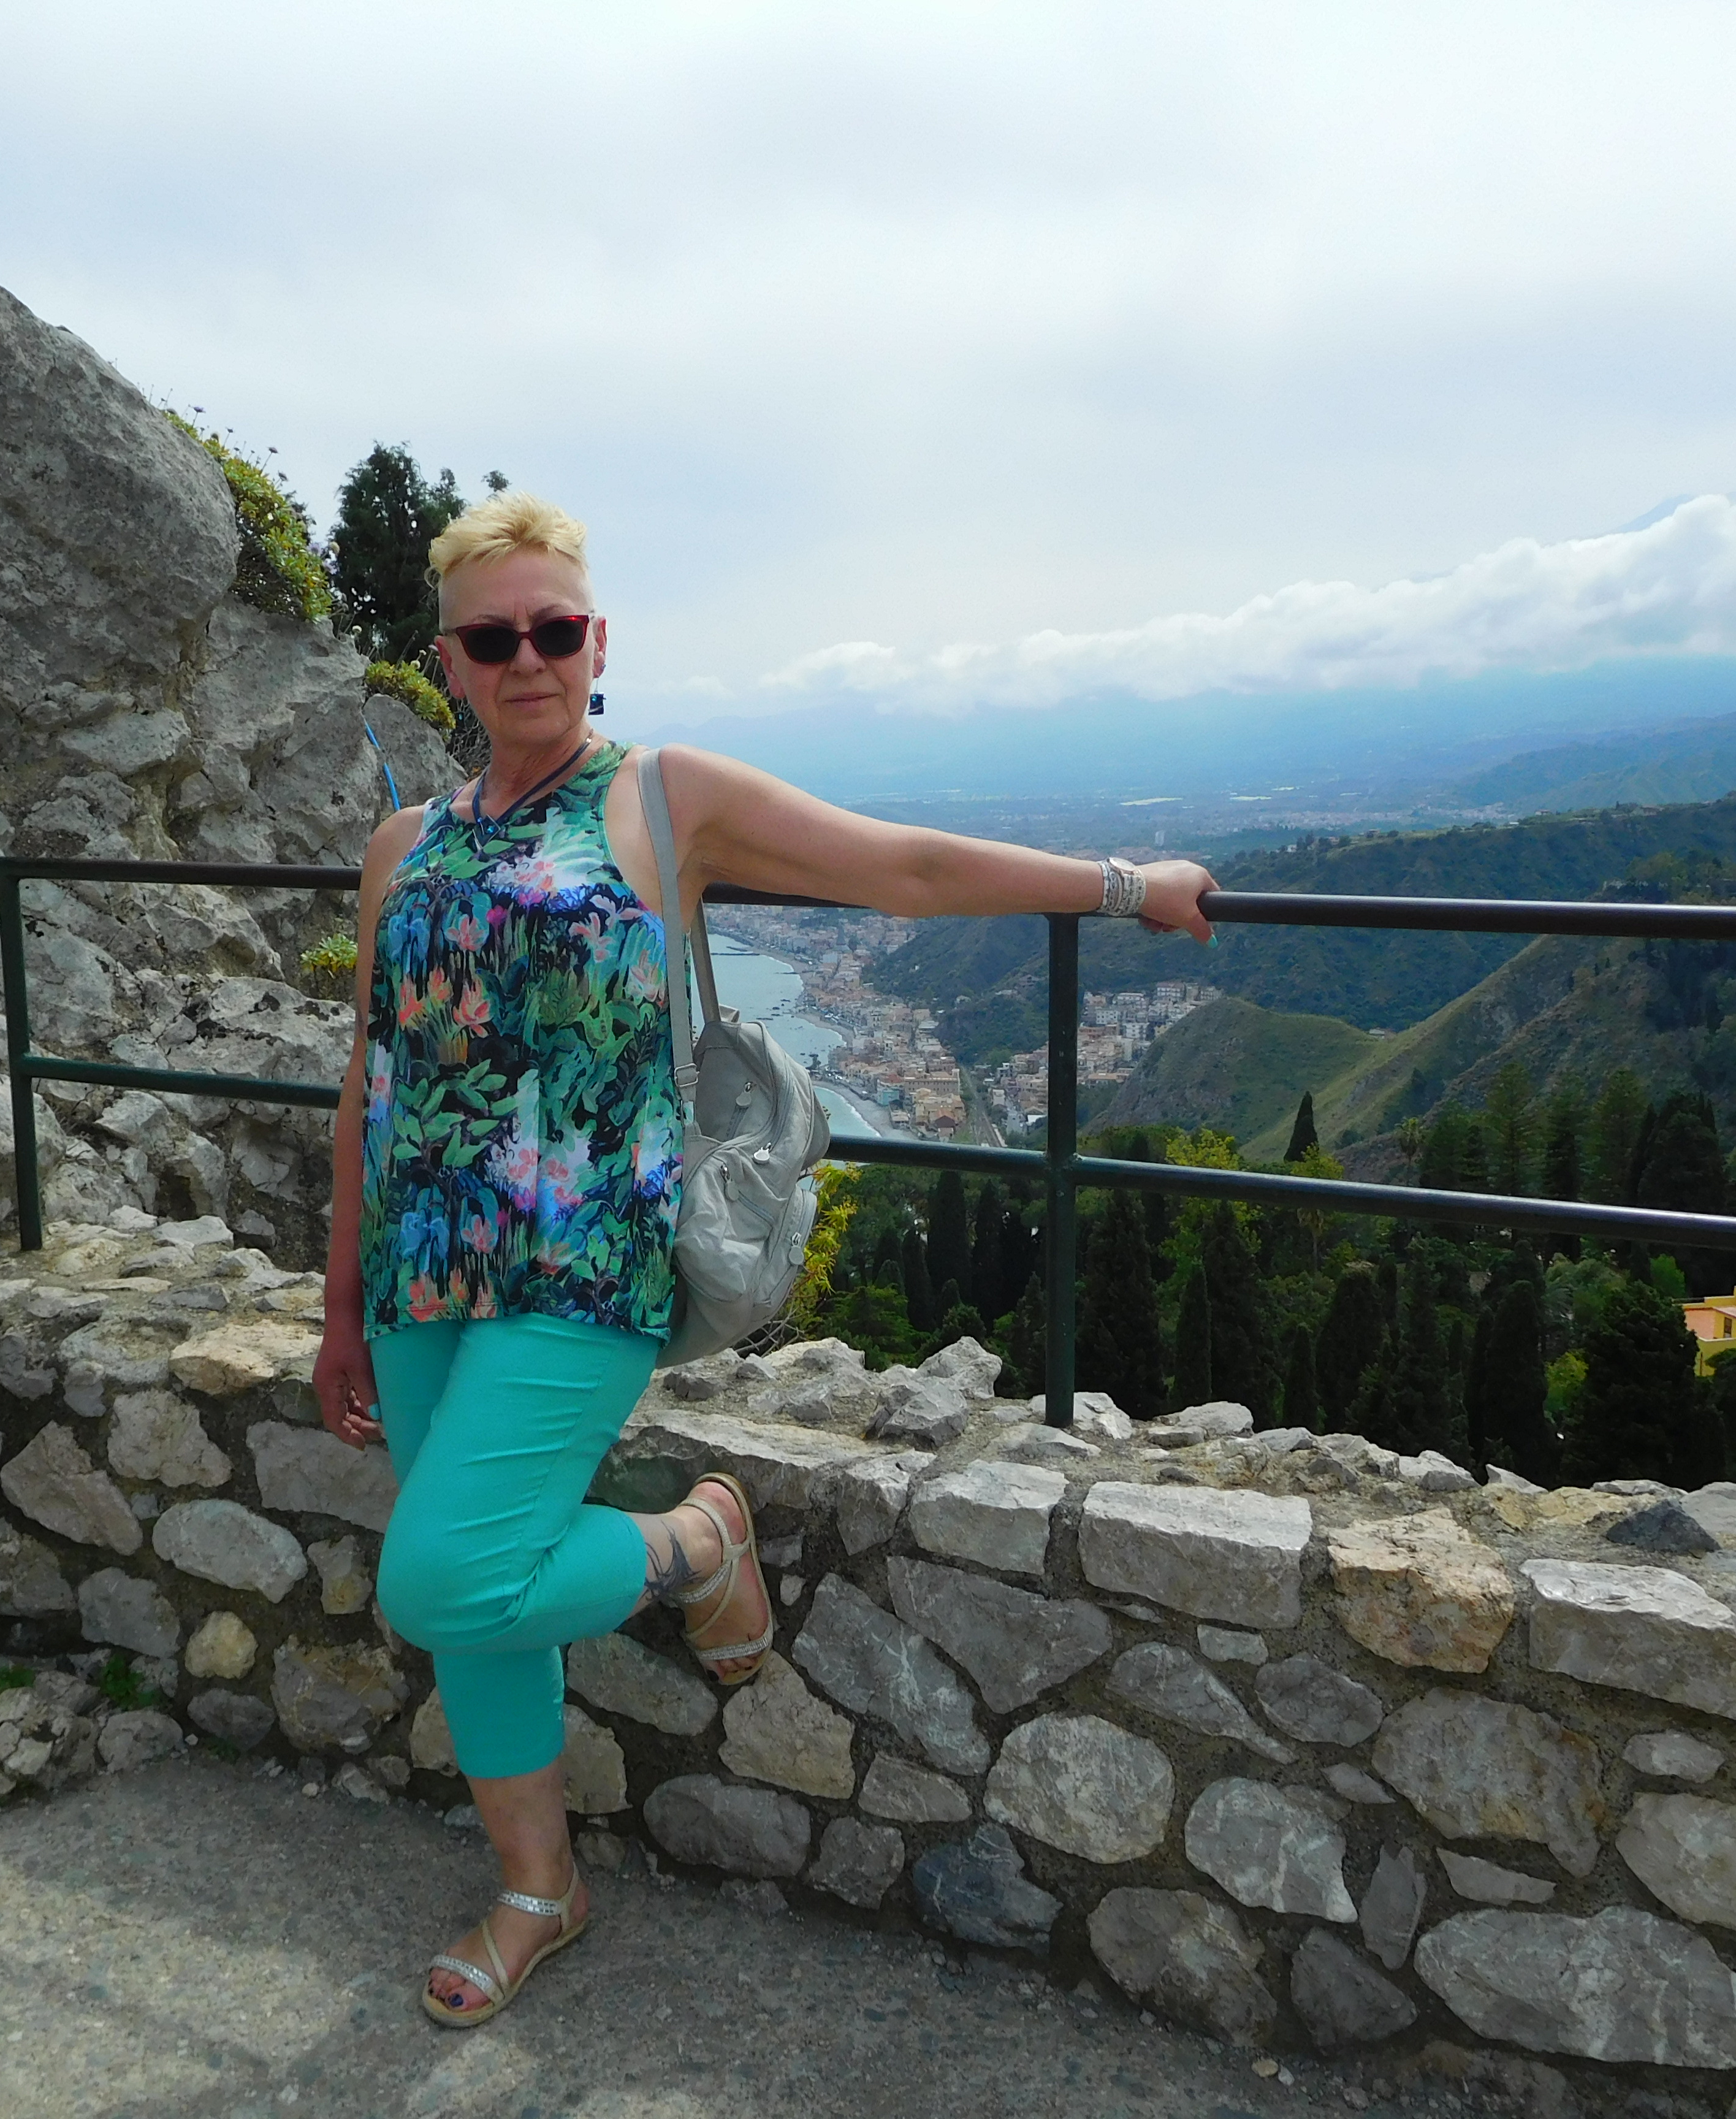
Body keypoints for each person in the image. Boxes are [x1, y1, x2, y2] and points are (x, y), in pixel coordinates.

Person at [312, 491, 1219, 2026]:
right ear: (449, 661)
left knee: (446, 1571)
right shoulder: (403, 845)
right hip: (420, 1265)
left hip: (587, 1261)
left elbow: (904, 870)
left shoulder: (664, 799)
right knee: (479, 1594)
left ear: (599, 644)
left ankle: (695, 1544)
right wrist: (339, 1299)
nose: (528, 658)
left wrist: (1125, 888)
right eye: (494, 637)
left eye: (555, 629)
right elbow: (371, 1076)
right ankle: (538, 1887)